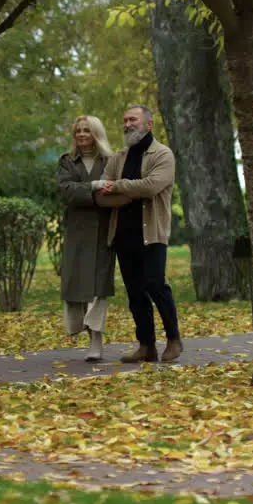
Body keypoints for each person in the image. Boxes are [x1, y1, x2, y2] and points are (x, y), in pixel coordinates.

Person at [95, 105, 184, 363]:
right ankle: (146, 346)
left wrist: (119, 187)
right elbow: (101, 195)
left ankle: (173, 339)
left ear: (148, 124)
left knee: (155, 285)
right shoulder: (119, 157)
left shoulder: (162, 154)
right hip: (123, 234)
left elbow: (151, 186)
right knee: (135, 293)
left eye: (132, 119)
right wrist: (119, 193)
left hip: (151, 234)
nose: (127, 124)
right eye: (124, 120)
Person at [56, 116, 117, 362]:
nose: (81, 135)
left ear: (96, 134)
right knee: (76, 285)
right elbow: (65, 191)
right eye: (78, 131)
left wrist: (101, 189)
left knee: (98, 287)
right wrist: (94, 186)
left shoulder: (111, 161)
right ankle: (79, 329)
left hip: (105, 231)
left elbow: (117, 187)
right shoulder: (67, 161)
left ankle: (96, 339)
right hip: (77, 232)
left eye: (87, 130)